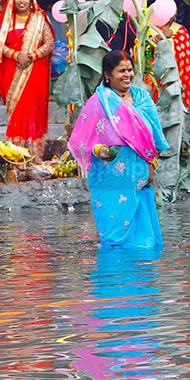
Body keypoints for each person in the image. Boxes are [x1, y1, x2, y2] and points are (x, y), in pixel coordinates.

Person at [68, 50, 169, 251]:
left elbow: (154, 139)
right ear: (107, 75)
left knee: (143, 241)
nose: (127, 75)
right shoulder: (99, 102)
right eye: (121, 71)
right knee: (114, 239)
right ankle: (113, 275)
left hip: (139, 172)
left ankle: (141, 277)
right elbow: (85, 143)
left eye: (130, 70)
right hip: (110, 176)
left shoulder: (142, 98)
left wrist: (152, 165)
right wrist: (101, 151)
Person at [0, 0, 55, 157]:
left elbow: (49, 44)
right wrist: (17, 56)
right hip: (13, 71)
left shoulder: (39, 19)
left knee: (33, 110)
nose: (21, 1)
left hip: (35, 73)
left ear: (32, 0)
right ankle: (15, 154)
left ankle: (33, 155)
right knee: (16, 113)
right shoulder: (7, 20)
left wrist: (32, 55)